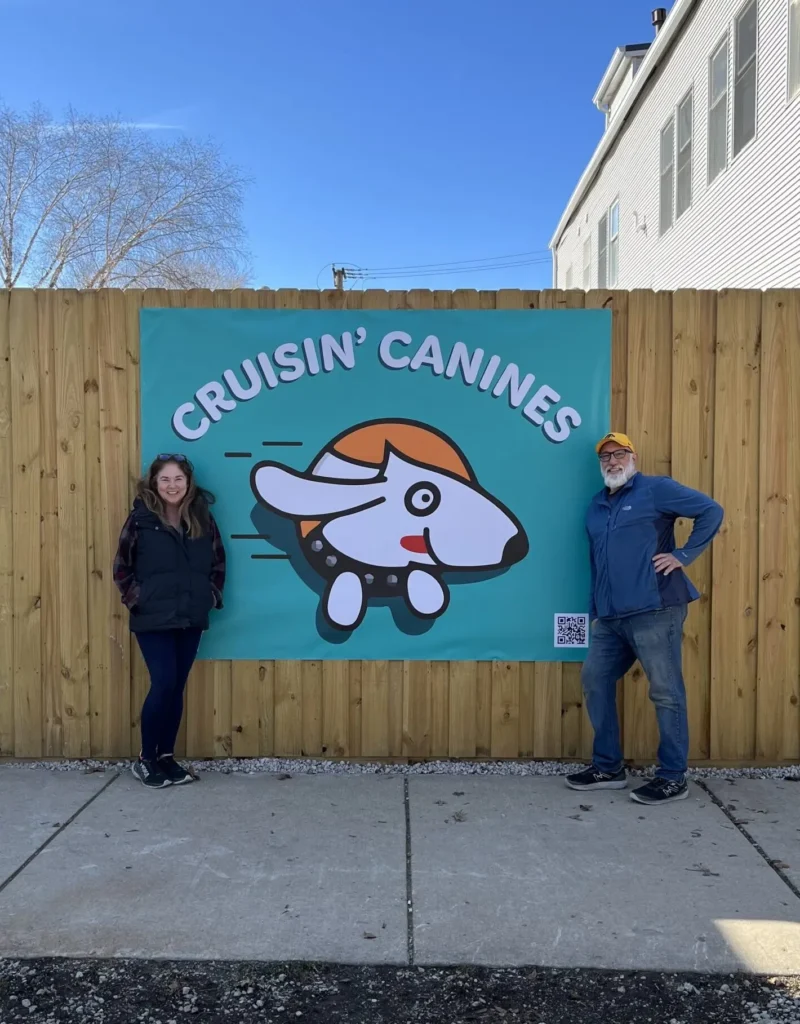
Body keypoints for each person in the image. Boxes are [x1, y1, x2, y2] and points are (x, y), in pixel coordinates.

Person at [566, 432, 723, 806]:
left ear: (633, 457)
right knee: (594, 679)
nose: (612, 461)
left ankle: (672, 777)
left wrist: (683, 556)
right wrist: (595, 610)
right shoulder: (596, 506)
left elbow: (711, 511)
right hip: (610, 618)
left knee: (665, 692)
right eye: (606, 457)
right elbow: (597, 564)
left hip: (655, 611)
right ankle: (608, 768)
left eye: (619, 454)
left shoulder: (655, 490)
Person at [113, 455, 226, 789]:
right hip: (153, 617)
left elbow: (218, 560)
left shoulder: (202, 517)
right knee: (163, 683)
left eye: (178, 479)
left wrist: (211, 595)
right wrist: (138, 599)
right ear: (154, 483)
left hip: (190, 614)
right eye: (165, 480)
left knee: (176, 686)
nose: (172, 486)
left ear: (188, 483)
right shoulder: (141, 520)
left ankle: (166, 757)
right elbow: (122, 566)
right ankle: (146, 759)